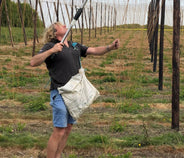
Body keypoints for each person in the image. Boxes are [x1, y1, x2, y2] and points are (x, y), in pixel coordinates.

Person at [30, 22, 119, 158]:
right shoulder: (50, 46)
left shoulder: (74, 45)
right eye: (61, 25)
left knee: (68, 128)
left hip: (75, 93)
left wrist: (110, 47)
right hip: (60, 92)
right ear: (54, 32)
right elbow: (33, 62)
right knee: (59, 130)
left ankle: (57, 155)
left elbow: (94, 50)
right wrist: (52, 51)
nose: (65, 25)